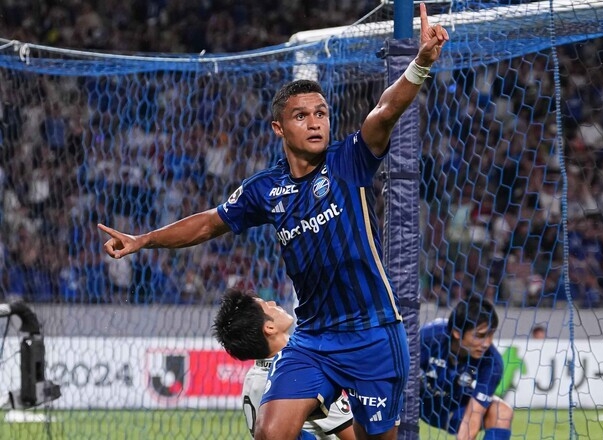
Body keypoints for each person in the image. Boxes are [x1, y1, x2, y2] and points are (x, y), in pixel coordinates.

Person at [98, 4, 449, 439]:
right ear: (279, 128)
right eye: (302, 116)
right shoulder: (265, 189)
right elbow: (208, 223)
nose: (315, 123)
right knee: (270, 433)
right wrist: (143, 240)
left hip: (373, 333)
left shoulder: (349, 160)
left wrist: (420, 64)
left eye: (321, 113)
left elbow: (385, 111)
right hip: (314, 338)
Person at [212, 288, 355, 440]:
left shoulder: (253, 376)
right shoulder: (300, 377)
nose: (273, 302)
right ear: (269, 328)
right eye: (267, 305)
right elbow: (355, 435)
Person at [419, 296, 513, 440]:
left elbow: (474, 415)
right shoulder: (427, 337)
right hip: (412, 402)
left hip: (451, 410)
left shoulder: (492, 362)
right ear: (457, 332)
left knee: (502, 411)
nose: (486, 343)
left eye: (491, 335)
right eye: (480, 336)